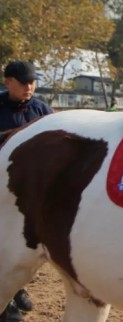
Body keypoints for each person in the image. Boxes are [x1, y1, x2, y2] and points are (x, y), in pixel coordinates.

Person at [1, 61, 53, 322]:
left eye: (32, 82)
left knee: (24, 245)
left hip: (30, 193)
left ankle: (18, 288)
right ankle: (8, 304)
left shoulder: (41, 110)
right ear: (8, 82)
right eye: (23, 82)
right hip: (3, 191)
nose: (29, 87)